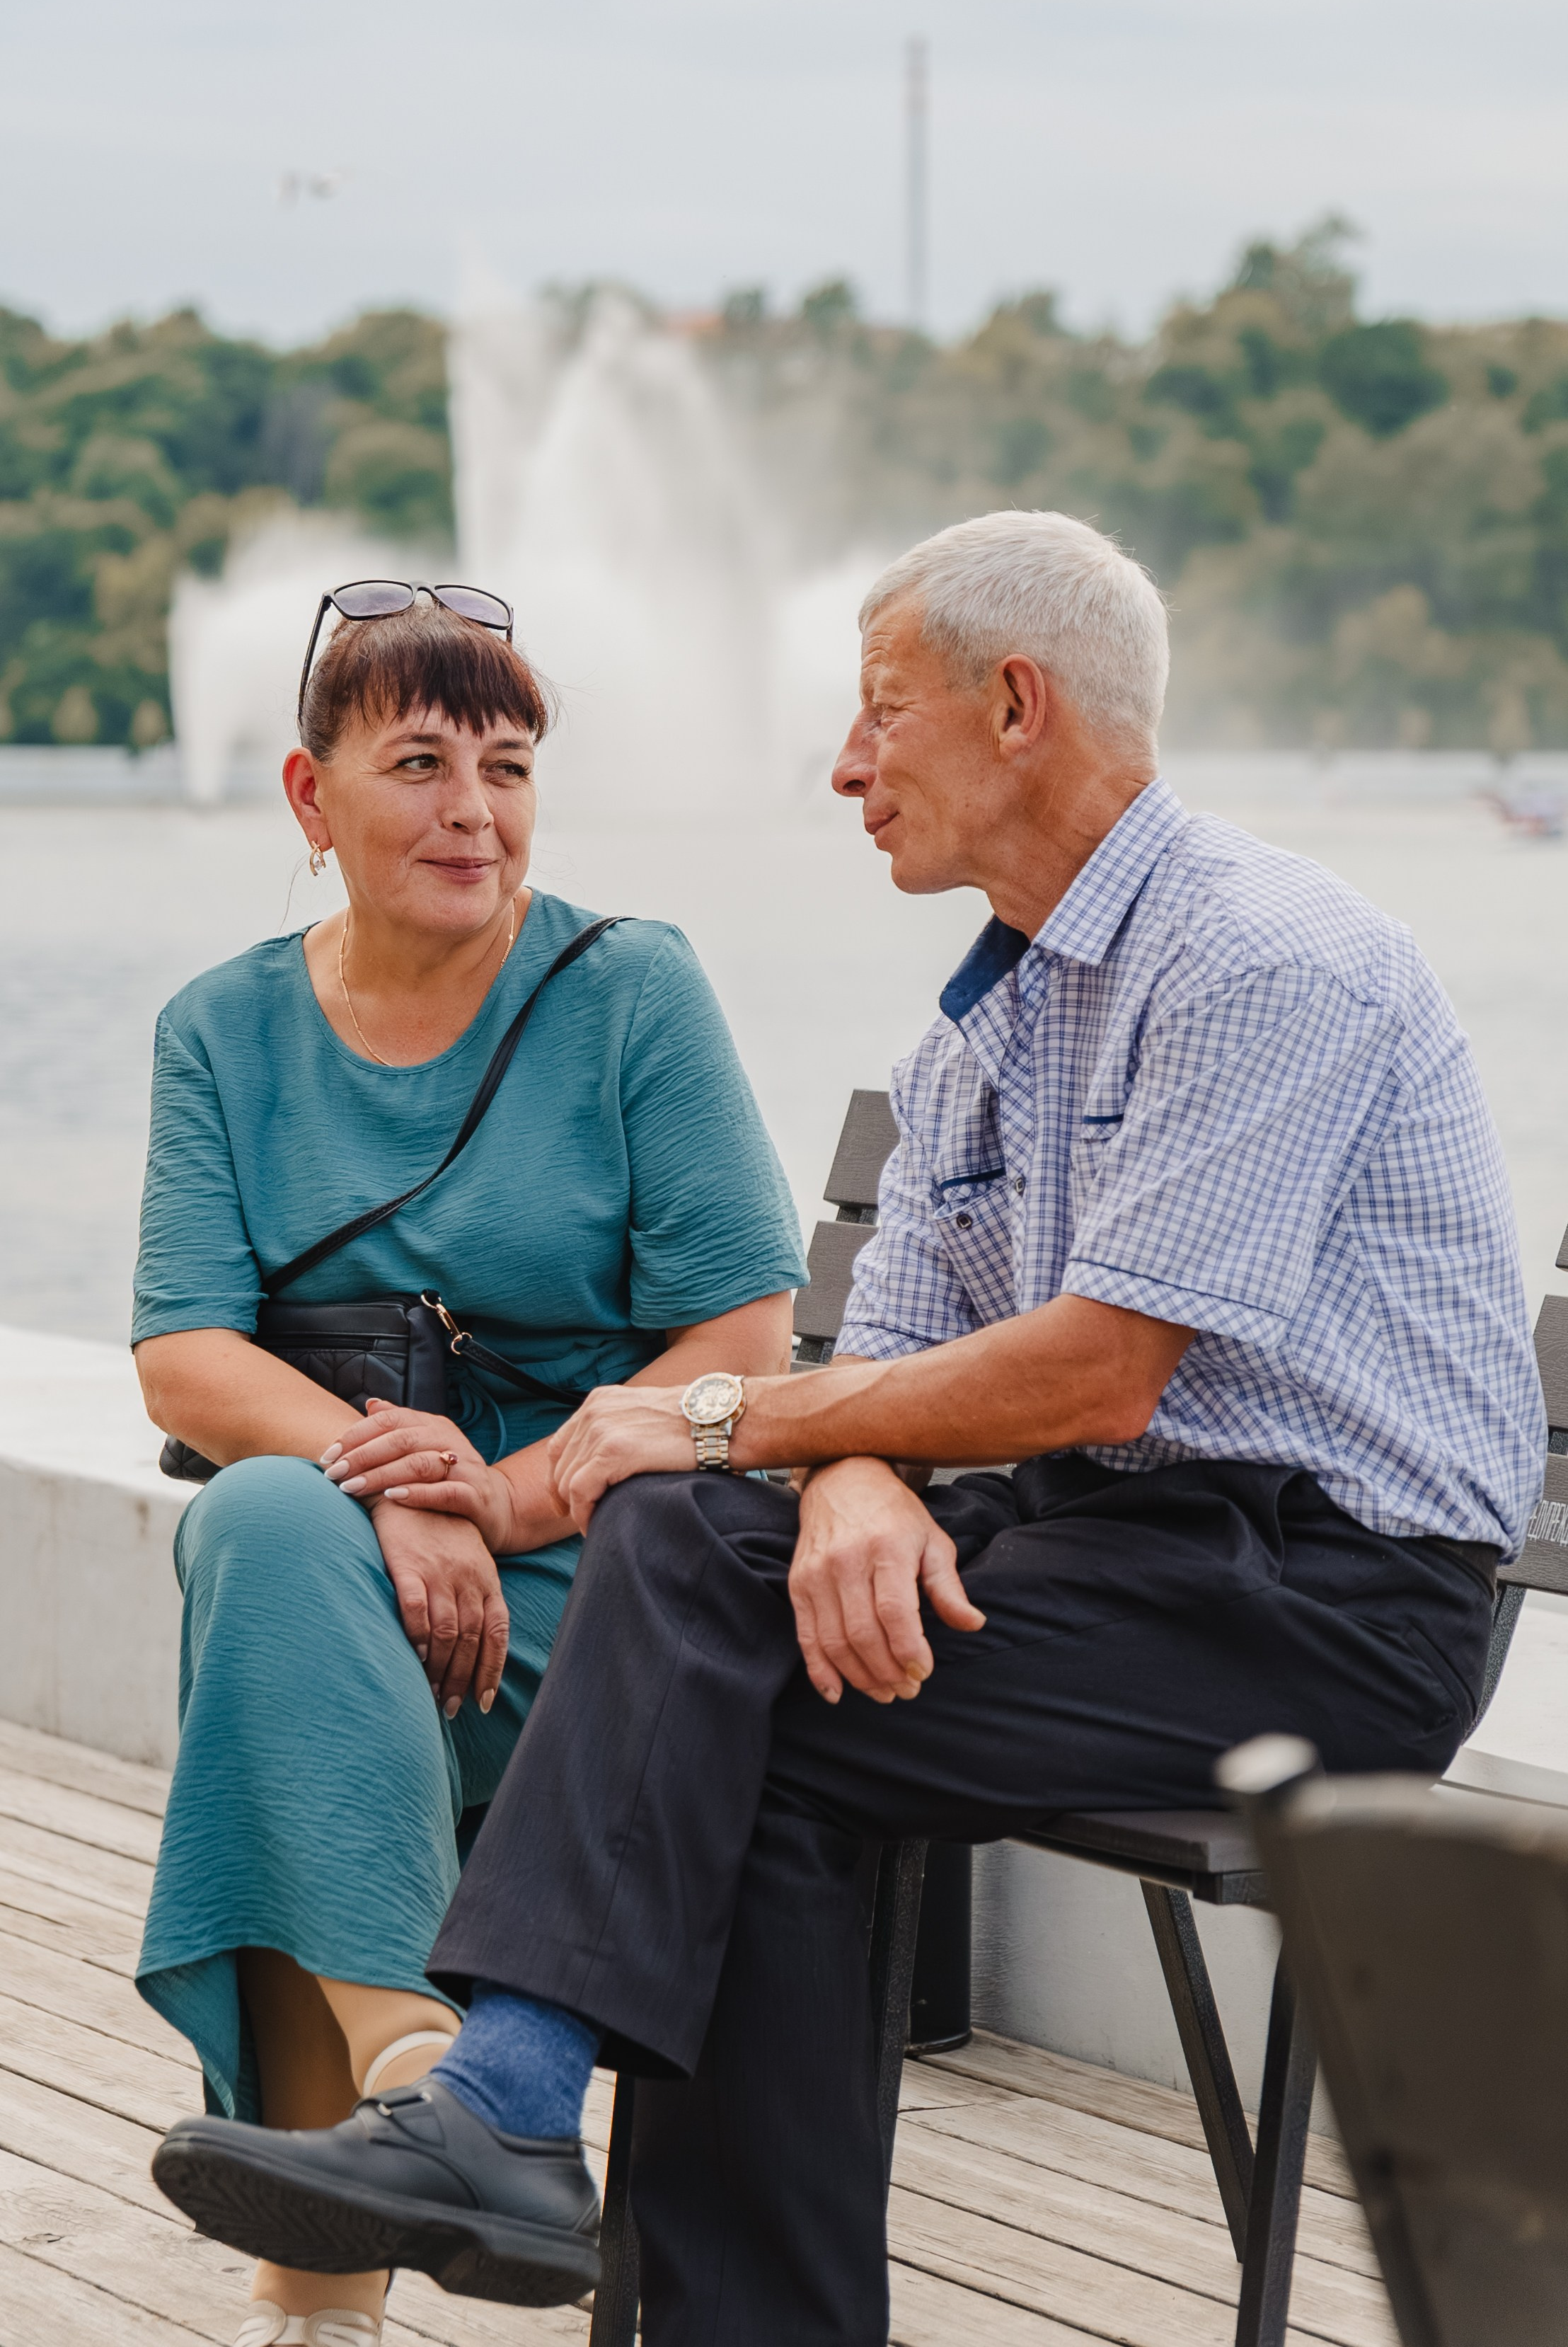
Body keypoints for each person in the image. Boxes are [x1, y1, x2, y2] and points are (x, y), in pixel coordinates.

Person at [152, 515, 1547, 2346]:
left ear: (1018, 706)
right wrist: (855, 1479)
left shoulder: (1266, 961)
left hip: (1327, 1607)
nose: (843, 764)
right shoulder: (998, 1025)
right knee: (732, 1631)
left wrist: (735, 1427)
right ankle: (528, 2141)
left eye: (883, 715)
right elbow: (897, 1339)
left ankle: (501, 2110)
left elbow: (1100, 1370)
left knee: (699, 1586)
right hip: (1112, 1562)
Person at [132, 583, 804, 2347]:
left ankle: (329, 2291)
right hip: (365, 1544)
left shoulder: (629, 988)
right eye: (419, 762)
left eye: (505, 768)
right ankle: (425, 2069)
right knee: (272, 1530)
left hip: (612, 1571)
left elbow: (743, 1350)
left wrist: (500, 1495)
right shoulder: (223, 1027)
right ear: (309, 797)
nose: (473, 811)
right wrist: (403, 1484)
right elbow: (187, 1354)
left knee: (271, 1647)